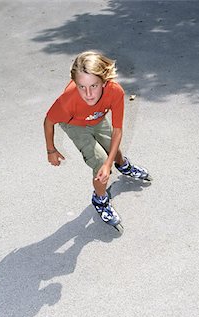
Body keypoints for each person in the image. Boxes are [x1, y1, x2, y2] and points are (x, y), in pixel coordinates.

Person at [44, 50, 151, 229]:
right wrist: (51, 150)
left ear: (104, 80)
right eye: (81, 87)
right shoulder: (67, 100)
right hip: (73, 124)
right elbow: (48, 122)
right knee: (100, 162)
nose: (88, 94)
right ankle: (100, 200)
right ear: (75, 83)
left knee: (113, 150)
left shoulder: (115, 92)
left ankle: (123, 165)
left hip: (97, 117)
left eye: (93, 86)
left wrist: (112, 162)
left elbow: (117, 130)